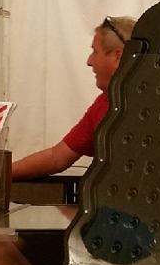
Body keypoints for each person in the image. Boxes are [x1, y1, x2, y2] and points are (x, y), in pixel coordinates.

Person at [10, 15, 136, 180]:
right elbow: (57, 157)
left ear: (117, 56)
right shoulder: (104, 102)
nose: (89, 61)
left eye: (95, 52)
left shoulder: (156, 104)